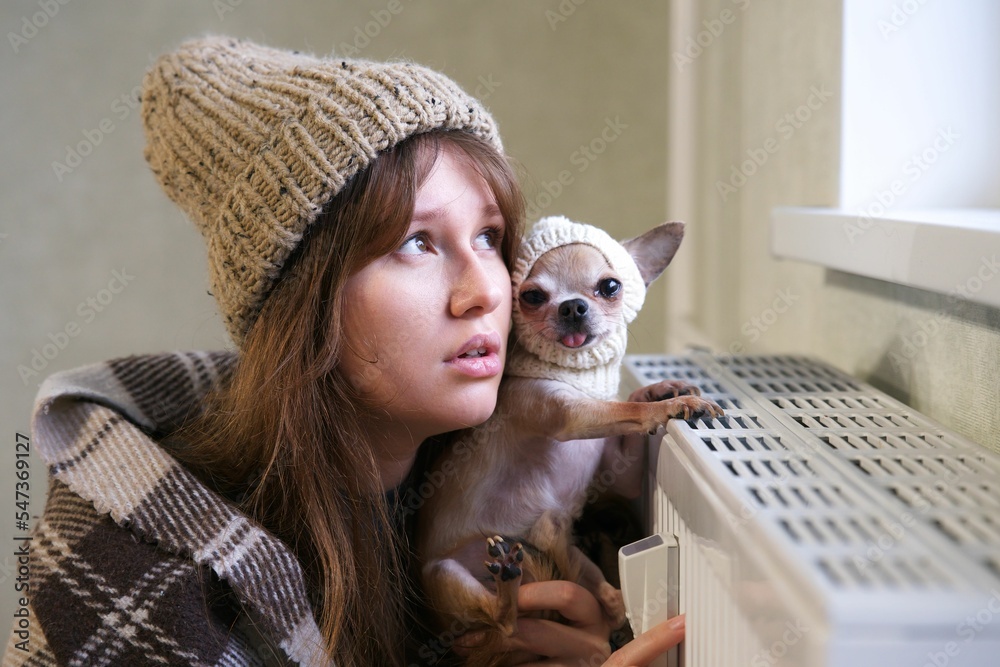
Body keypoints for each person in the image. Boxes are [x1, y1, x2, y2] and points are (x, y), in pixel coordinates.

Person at [3, 37, 684, 666]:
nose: (485, 289)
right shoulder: (140, 574)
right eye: (416, 241)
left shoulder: (480, 489)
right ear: (306, 303)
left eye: (489, 237)